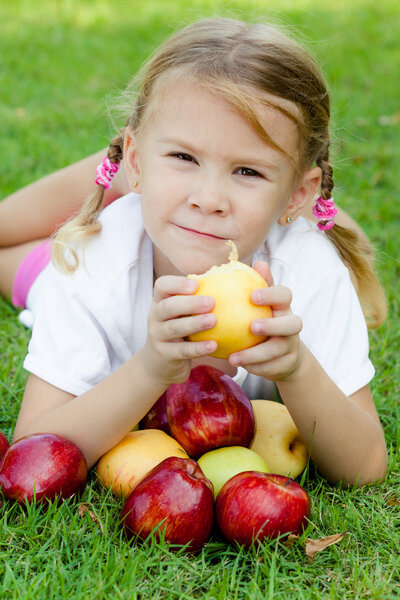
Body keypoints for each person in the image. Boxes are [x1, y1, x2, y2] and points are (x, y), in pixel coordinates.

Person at [2, 18, 387, 486]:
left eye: (247, 170)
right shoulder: (90, 263)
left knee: (337, 242)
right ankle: (119, 174)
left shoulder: (308, 270)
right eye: (185, 157)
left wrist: (299, 368)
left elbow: (366, 468)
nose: (209, 197)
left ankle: (252, 183)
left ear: (295, 194)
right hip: (75, 261)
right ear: (137, 160)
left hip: (195, 216)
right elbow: (33, 450)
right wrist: (150, 369)